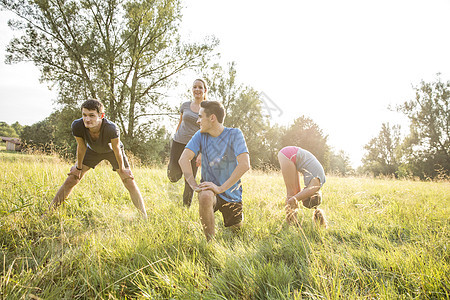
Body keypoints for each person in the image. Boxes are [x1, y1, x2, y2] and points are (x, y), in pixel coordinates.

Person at [48, 99, 148, 218]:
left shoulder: (111, 128)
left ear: (101, 116)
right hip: (92, 150)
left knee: (129, 181)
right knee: (72, 179)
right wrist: (78, 168)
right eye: (84, 115)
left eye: (92, 115)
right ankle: (49, 212)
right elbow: (81, 146)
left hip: (112, 151)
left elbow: (116, 149)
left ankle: (144, 216)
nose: (87, 119)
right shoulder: (77, 125)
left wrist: (122, 169)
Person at [179, 101, 250, 241]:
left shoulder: (235, 134)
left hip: (232, 194)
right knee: (205, 196)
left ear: (212, 118)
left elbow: (245, 164)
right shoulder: (200, 135)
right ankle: (210, 243)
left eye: (200, 117)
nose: (198, 121)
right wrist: (194, 186)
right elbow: (183, 159)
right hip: (210, 190)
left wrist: (220, 188)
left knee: (237, 235)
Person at [167, 79, 207, 207]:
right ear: (192, 89)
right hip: (178, 142)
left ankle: (185, 208)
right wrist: (174, 135)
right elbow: (180, 123)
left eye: (200, 87)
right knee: (172, 176)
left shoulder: (207, 108)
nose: (197, 90)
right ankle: (181, 171)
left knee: (190, 179)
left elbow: (207, 131)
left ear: (205, 90)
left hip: (194, 147)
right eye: (195, 87)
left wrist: (201, 152)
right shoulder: (185, 105)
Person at [278, 146, 327, 227]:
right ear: (310, 197)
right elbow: (291, 200)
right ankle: (291, 224)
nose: (302, 195)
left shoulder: (317, 185)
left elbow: (297, 196)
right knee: (291, 194)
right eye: (303, 198)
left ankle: (292, 221)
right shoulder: (314, 188)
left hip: (292, 155)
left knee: (295, 193)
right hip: (289, 155)